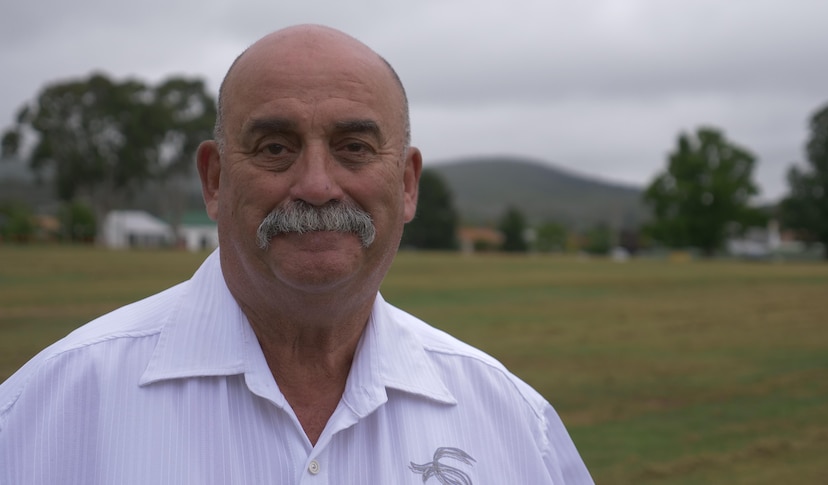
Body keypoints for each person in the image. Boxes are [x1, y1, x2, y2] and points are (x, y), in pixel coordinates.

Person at [0, 25, 593, 484]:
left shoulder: (515, 422)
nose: (316, 185)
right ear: (214, 180)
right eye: (276, 146)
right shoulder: (48, 409)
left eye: (354, 147)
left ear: (407, 185)